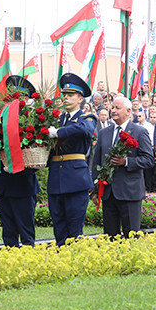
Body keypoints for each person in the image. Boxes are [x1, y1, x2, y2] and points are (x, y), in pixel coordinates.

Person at [91, 96, 153, 237]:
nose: (113, 110)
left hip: (129, 193)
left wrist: (126, 162)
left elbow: (149, 160)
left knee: (131, 237)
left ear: (128, 111)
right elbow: (96, 163)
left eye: (117, 108)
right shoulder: (103, 133)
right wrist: (94, 190)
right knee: (110, 237)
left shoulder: (139, 131)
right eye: (112, 107)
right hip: (108, 193)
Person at [45, 73, 97, 246]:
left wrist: (58, 132)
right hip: (56, 179)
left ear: (80, 98)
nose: (66, 98)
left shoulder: (86, 118)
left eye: (70, 95)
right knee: (59, 225)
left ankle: (74, 260)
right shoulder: (57, 119)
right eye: (64, 95)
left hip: (75, 180)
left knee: (75, 227)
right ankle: (61, 257)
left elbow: (84, 130)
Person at [0, 76, 39, 247]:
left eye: (19, 97)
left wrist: (19, 167)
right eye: (12, 96)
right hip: (4, 184)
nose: (15, 101)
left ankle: (27, 265)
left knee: (26, 231)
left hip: (23, 183)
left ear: (26, 99)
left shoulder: (32, 121)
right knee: (8, 231)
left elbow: (39, 155)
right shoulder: (1, 117)